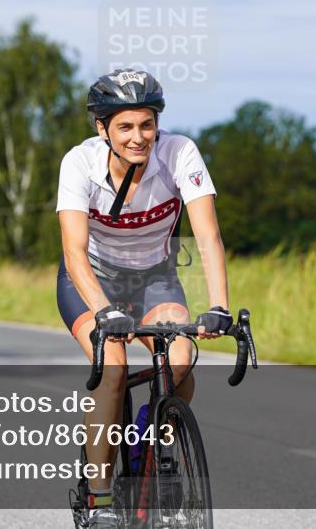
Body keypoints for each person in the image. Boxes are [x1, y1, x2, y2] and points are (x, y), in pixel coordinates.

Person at [56, 69, 233, 526]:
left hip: (155, 275)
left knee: (180, 356)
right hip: (92, 278)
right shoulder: (79, 164)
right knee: (112, 367)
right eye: (126, 127)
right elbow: (73, 252)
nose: (139, 137)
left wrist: (218, 307)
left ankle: (150, 443)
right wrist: (104, 311)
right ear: (102, 129)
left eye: (147, 124)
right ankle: (100, 500)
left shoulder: (179, 153)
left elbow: (209, 236)